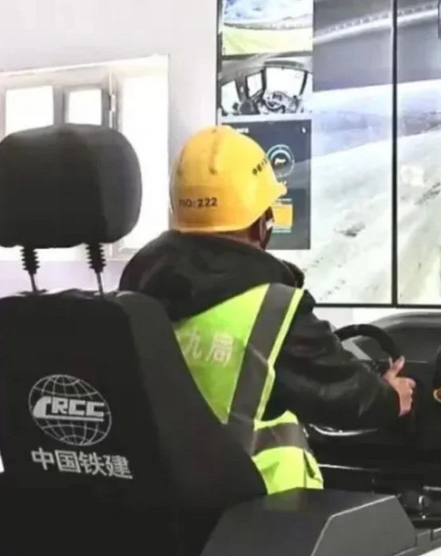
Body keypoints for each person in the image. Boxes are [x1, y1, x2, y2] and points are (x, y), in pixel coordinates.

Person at [120, 126, 415, 494]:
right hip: (265, 507)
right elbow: (342, 394)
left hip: (168, 502)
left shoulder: (134, 296)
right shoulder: (275, 311)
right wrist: (390, 397)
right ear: (263, 223)